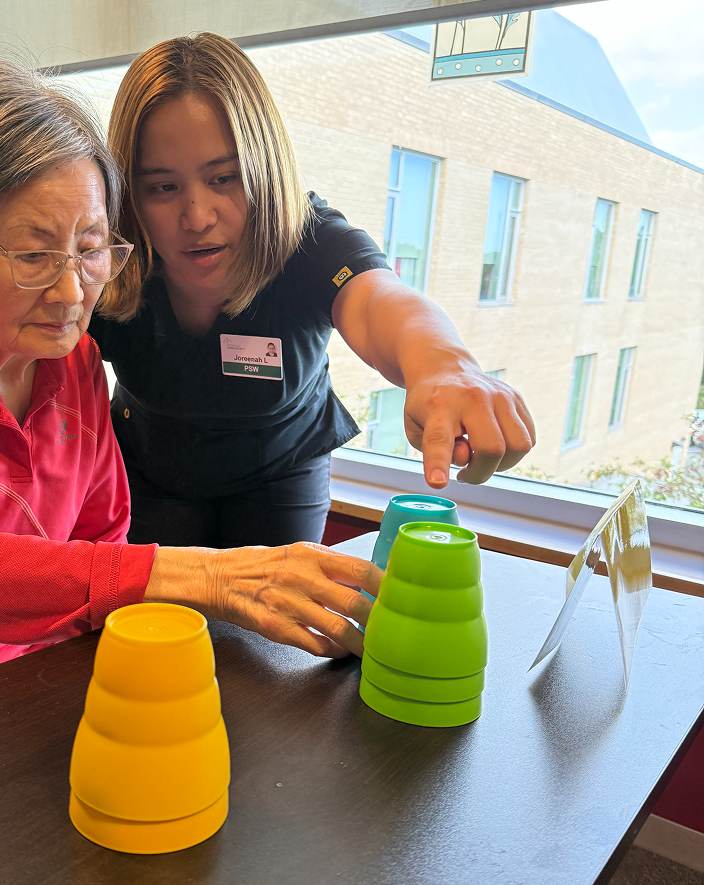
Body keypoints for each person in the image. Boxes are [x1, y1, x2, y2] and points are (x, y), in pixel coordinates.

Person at [0, 57, 381, 736]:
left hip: (18, 696)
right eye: (34, 256)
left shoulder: (76, 366)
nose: (72, 296)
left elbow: (99, 543)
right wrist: (208, 578)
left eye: (92, 248)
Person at [89, 32, 535, 548]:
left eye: (225, 178)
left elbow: (377, 303)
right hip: (147, 469)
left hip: (281, 470)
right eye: (163, 187)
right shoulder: (108, 258)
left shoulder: (309, 240)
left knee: (271, 625)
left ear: (265, 167)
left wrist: (443, 363)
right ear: (128, 194)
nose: (198, 217)